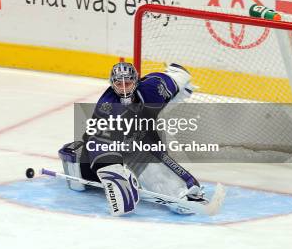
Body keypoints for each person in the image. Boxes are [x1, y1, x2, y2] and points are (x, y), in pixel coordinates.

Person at [59, 62, 207, 216]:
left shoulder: (153, 89)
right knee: (89, 173)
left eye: (128, 83)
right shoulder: (107, 107)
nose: (124, 88)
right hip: (112, 148)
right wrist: (114, 173)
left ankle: (184, 191)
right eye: (119, 83)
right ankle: (76, 157)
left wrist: (181, 85)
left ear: (136, 82)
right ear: (112, 84)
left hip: (141, 139)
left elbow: (178, 75)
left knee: (177, 175)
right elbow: (98, 143)